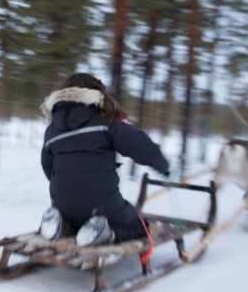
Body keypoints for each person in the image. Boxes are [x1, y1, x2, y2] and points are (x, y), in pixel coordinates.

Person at [40, 73, 170, 244]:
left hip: (62, 204)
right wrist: (162, 164)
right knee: (139, 225)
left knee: (74, 214)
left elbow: (48, 167)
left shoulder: (51, 130)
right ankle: (106, 232)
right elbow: (139, 144)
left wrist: (69, 184)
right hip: (103, 205)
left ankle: (62, 224)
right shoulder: (104, 122)